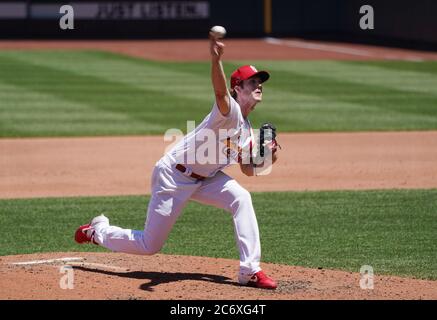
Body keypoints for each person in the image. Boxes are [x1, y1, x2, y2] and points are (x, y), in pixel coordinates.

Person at [74, 34, 279, 289]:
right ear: (237, 88)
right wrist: (216, 61)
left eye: (260, 82)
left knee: (242, 198)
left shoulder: (247, 130)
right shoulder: (228, 111)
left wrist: (269, 154)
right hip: (174, 175)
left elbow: (249, 169)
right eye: (252, 82)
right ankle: (98, 231)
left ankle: (250, 270)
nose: (259, 85)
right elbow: (219, 90)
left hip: (207, 179)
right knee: (150, 245)